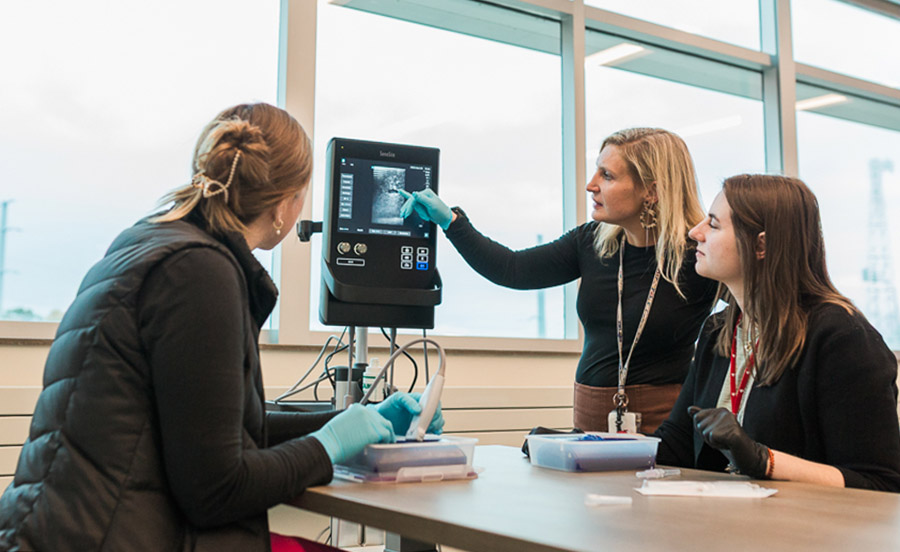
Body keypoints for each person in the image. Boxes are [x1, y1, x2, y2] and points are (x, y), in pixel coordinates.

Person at [0, 102, 443, 552]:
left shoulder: (151, 244)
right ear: (285, 205)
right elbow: (216, 490)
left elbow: (213, 432)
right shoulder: (199, 273)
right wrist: (328, 446)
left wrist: (353, 420)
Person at [400, 128, 717, 433]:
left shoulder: (698, 255)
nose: (591, 185)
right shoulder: (592, 242)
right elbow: (513, 269)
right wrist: (451, 222)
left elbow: (757, 305)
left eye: (607, 176)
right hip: (590, 421)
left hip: (665, 424)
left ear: (651, 191)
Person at [654, 174, 900, 491]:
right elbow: (675, 445)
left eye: (713, 225)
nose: (694, 232)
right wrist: (593, 444)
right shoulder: (718, 330)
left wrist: (764, 461)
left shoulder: (842, 337)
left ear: (761, 245)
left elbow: (881, 483)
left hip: (806, 535)